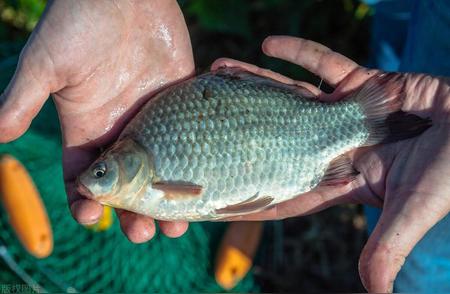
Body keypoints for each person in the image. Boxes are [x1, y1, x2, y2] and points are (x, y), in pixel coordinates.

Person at [0, 0, 448, 292]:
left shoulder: (152, 174)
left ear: (128, 163)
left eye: (101, 173)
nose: (92, 180)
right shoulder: (142, 146)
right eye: (99, 173)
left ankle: (383, 113)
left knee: (421, 243)